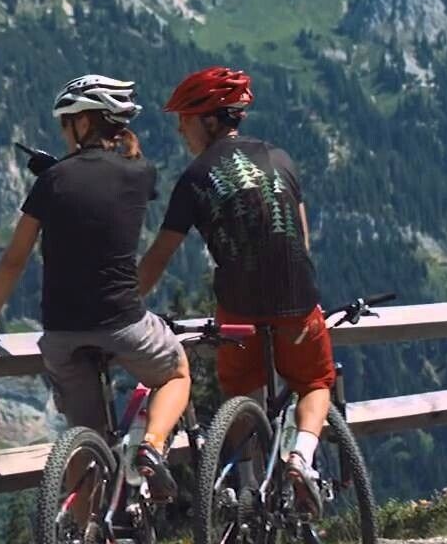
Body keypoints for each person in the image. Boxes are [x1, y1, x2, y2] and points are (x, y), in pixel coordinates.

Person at [0, 75, 192, 503]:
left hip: (61, 332)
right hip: (123, 322)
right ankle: (151, 445)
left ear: (83, 122)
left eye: (65, 123)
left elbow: (14, 259)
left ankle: (84, 538)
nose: (62, 131)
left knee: (83, 436)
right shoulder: (142, 173)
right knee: (176, 373)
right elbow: (105, 190)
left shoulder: (52, 182)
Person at [136, 66, 332, 514]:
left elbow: (159, 256)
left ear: (209, 120)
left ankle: (246, 491)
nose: (180, 129)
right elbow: (300, 240)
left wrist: (126, 305)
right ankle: (302, 456)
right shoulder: (280, 158)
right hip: (296, 300)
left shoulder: (194, 177)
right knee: (314, 381)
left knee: (242, 395)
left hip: (239, 310)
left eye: (185, 119)